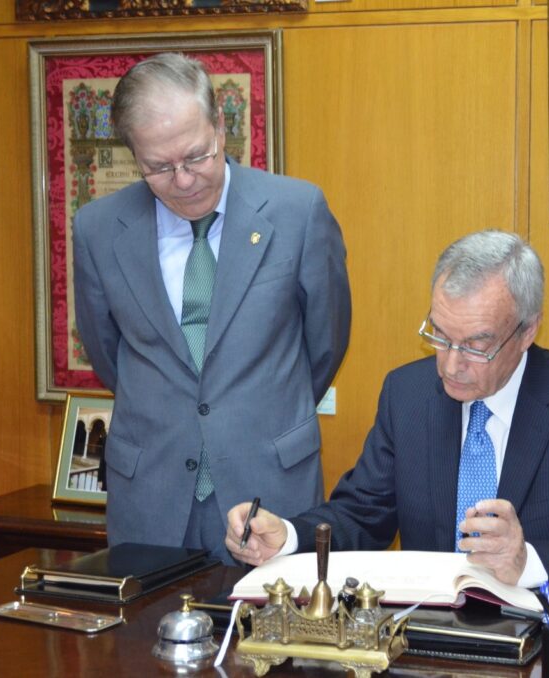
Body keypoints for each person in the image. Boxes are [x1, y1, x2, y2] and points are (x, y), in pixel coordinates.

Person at [224, 230, 549, 595]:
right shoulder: (407, 394)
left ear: (527, 331)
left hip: (538, 640)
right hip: (424, 636)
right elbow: (362, 515)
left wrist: (528, 562)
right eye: (440, 336)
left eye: (476, 345)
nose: (451, 365)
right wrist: (289, 537)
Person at [73, 53, 351, 564]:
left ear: (220, 126)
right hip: (150, 492)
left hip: (269, 484)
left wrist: (259, 411)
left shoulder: (297, 212)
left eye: (196, 156)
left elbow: (325, 343)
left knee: (269, 618)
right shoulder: (98, 228)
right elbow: (107, 352)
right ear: (133, 155)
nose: (183, 180)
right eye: (159, 167)